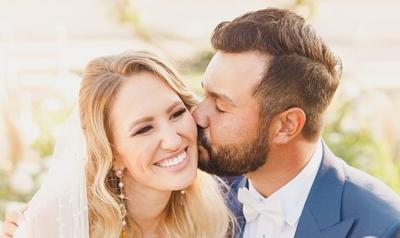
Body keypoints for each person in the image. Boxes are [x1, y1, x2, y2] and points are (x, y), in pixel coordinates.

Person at [193, 8, 400, 238]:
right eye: (204, 96)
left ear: (287, 125)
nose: (197, 115)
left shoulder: (383, 228)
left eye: (221, 106)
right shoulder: (204, 200)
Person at [2, 51, 234, 238]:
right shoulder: (57, 226)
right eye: (144, 129)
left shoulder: (211, 211)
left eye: (176, 114)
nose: (173, 141)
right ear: (111, 152)